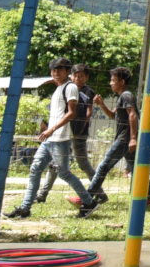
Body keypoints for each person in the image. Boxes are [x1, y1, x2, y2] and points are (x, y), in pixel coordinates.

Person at [4, 57, 99, 219]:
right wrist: (47, 130)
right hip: (50, 139)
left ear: (68, 72)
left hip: (60, 139)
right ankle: (25, 208)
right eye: (54, 70)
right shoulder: (59, 88)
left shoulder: (70, 88)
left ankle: (89, 202)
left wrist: (52, 129)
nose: (56, 72)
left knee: (64, 173)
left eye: (60, 70)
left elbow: (72, 113)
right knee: (35, 170)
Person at [77, 66, 150, 209]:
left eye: (113, 80)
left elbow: (132, 115)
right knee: (135, 169)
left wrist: (133, 138)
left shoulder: (127, 95)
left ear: (121, 81)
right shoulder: (123, 96)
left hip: (124, 139)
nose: (110, 83)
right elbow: (113, 115)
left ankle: (88, 197)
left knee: (103, 166)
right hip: (126, 139)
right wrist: (102, 105)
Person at [35, 63, 99, 204]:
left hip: (77, 133)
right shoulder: (65, 88)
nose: (78, 78)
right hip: (61, 132)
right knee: (54, 165)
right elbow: (57, 111)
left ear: (86, 77)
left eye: (81, 76)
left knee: (82, 164)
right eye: (75, 75)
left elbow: (86, 111)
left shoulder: (86, 91)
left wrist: (81, 124)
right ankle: (42, 194)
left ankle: (97, 192)